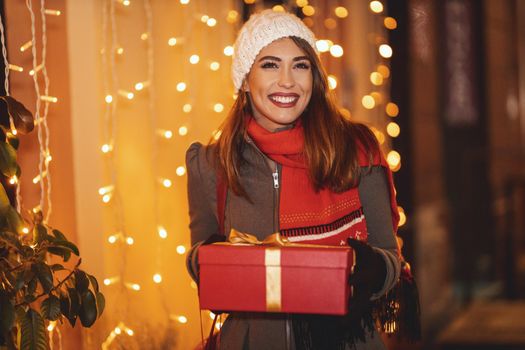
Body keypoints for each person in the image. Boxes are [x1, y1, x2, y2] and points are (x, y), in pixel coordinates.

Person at [186, 9, 402, 350]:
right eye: (270, 64)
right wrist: (217, 259)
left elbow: (391, 262)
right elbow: (199, 265)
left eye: (300, 65)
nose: (287, 80)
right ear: (245, 79)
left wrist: (361, 266)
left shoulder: (356, 151)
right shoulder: (211, 164)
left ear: (313, 77)